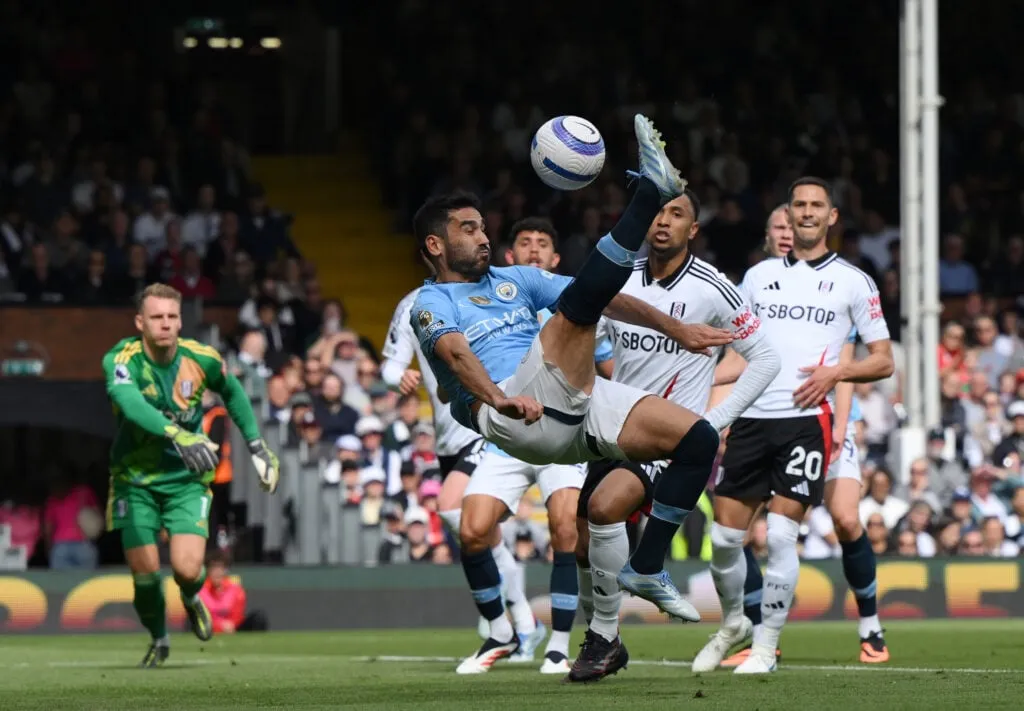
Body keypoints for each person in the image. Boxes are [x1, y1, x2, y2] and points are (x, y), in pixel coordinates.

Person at [411, 115, 735, 671]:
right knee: (575, 313)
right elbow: (457, 356)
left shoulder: (516, 280)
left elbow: (604, 295)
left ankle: (647, 564)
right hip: (514, 411)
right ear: (436, 243)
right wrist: (497, 398)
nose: (485, 235)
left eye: (485, 226)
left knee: (698, 439)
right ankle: (647, 196)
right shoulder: (429, 303)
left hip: (569, 399)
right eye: (469, 228)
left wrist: (676, 329)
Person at [566, 190, 780, 682]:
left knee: (605, 508)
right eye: (659, 211)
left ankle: (601, 639)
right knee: (581, 542)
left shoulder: (713, 287)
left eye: (677, 214)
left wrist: (712, 422)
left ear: (694, 230)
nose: (664, 222)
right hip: (611, 426)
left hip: (667, 435)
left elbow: (766, 359)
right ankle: (607, 639)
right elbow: (592, 338)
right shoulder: (619, 278)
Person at [690, 177, 894, 675]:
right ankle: (735, 622)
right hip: (753, 420)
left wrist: (836, 372)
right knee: (723, 541)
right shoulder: (757, 278)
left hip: (806, 421)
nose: (806, 213)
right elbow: (741, 350)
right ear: (788, 214)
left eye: (815, 205)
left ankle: (766, 647)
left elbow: (883, 360)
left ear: (832, 217)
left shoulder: (853, 280)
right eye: (798, 205)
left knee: (782, 537)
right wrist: (703, 388)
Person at [455, 217, 618, 675]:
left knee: (566, 529)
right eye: (523, 242)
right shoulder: (496, 300)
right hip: (508, 436)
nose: (532, 249)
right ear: (510, 256)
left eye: (542, 243)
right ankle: (500, 633)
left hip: (562, 436)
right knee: (471, 530)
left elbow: (609, 372)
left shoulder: (577, 310)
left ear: (555, 259)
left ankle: (558, 645)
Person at [101, 283, 280, 668]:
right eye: (156, 317)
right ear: (140, 322)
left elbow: (232, 392)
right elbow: (130, 404)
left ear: (180, 320)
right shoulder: (122, 359)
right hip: (134, 480)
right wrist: (176, 432)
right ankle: (159, 637)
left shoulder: (202, 358)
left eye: (171, 317)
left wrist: (255, 445)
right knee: (146, 569)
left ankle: (191, 596)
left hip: (185, 480)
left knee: (186, 569)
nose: (165, 324)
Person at [381, 262, 539, 661]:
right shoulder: (414, 304)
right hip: (447, 437)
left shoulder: (492, 294)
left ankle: (509, 622)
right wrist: (395, 379)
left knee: (451, 507)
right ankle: (520, 621)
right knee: (474, 529)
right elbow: (390, 365)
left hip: (481, 424)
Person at [198, 551, 268, 633]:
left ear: (225, 571)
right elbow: (200, 618)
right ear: (208, 571)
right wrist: (219, 626)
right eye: (213, 569)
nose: (217, 573)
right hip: (210, 629)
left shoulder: (235, 590)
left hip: (234, 628)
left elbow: (238, 614)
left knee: (259, 617)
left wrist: (232, 625)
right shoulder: (201, 591)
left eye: (220, 568)